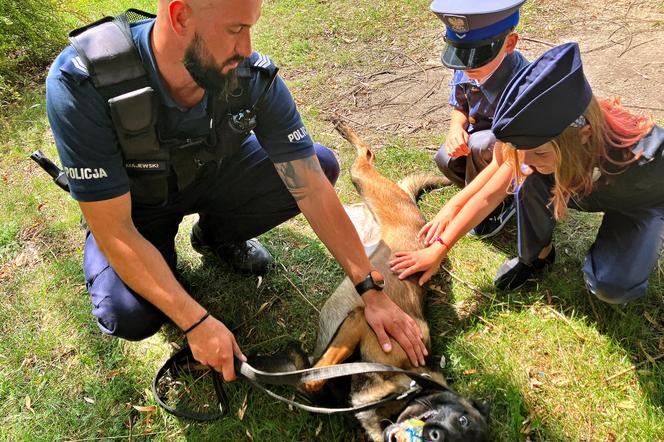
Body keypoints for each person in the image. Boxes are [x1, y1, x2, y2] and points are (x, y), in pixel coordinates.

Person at [45, 0, 427, 382]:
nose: (247, 47)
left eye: (250, 28)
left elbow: (310, 187)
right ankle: (161, 265)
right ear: (180, 16)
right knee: (127, 313)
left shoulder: (249, 74)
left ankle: (214, 237)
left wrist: (369, 289)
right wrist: (194, 322)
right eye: (234, 30)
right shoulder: (85, 82)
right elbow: (114, 230)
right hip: (137, 209)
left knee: (320, 164)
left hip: (215, 176)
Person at [390, 42, 663, 306]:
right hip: (577, 180)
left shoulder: (648, 157)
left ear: (584, 136)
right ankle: (537, 256)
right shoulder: (541, 145)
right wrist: (440, 244)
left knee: (611, 286)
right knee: (528, 178)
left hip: (638, 202)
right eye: (525, 154)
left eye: (540, 154)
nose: (528, 163)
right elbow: (490, 192)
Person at [430, 0, 528, 237]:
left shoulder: (522, 82)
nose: (467, 65)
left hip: (511, 155)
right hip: (480, 144)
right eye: (460, 55)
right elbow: (460, 104)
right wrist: (455, 129)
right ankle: (475, 198)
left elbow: (512, 155)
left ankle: (498, 203)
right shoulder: (466, 65)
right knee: (445, 157)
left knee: (480, 144)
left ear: (510, 44)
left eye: (479, 56)